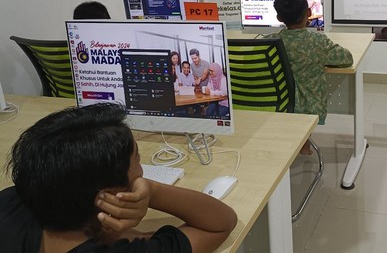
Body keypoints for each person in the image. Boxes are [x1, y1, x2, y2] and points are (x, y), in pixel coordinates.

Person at [0, 102, 237, 253]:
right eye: (137, 158)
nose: (142, 166)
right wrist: (152, 191)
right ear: (109, 196)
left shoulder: (13, 200)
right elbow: (219, 224)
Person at [268, 0, 353, 154]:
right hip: (309, 108)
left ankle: (299, 141)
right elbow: (346, 58)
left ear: (279, 17)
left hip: (277, 105)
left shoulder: (269, 43)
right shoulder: (317, 42)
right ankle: (303, 140)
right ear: (308, 12)